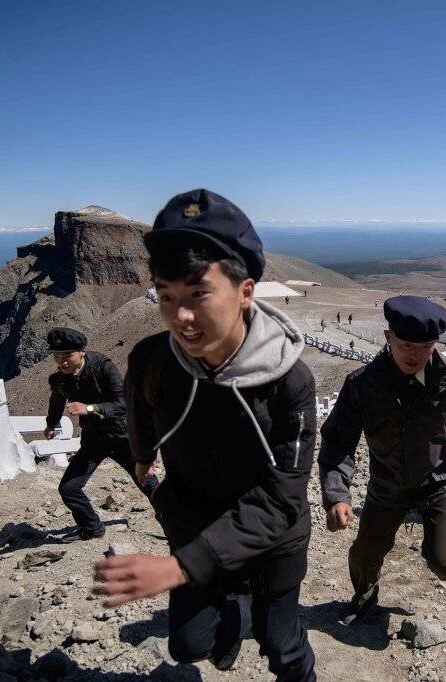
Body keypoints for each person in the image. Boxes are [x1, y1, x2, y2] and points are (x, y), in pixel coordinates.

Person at [94, 189, 317, 680]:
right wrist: (141, 452)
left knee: (282, 645)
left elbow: (282, 499)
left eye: (198, 294)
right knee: (188, 646)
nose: (182, 318)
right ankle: (230, 609)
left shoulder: (289, 380)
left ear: (245, 290)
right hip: (194, 518)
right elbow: (138, 402)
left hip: (273, 537)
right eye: (166, 297)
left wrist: (175, 569)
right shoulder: (154, 358)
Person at [318, 295, 446, 626]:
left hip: (442, 483)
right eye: (406, 344)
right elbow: (339, 441)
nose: (415, 354)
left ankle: (439, 538)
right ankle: (366, 594)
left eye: (425, 346)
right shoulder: (363, 384)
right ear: (389, 338)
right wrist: (337, 495)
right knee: (364, 554)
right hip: (388, 483)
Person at [44, 327, 159, 541]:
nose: (62, 362)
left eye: (67, 355)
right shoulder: (59, 379)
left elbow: (123, 402)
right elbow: (57, 400)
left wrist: (89, 409)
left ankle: (174, 526)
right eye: (57, 356)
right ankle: (91, 527)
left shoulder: (102, 367)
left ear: (82, 352)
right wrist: (52, 423)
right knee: (69, 488)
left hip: (122, 437)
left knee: (149, 484)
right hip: (93, 440)